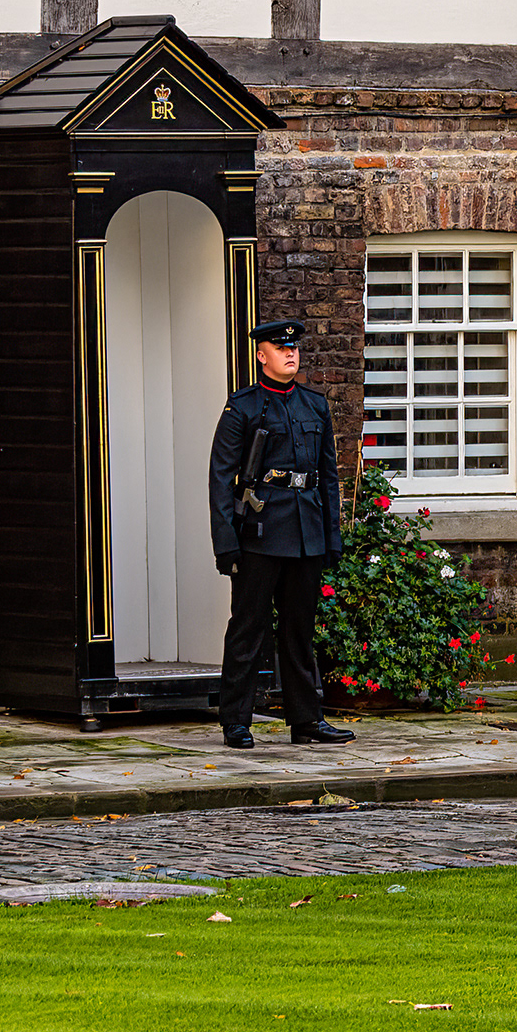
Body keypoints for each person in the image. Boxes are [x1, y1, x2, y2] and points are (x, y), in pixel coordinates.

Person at [211, 318, 358, 748]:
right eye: (280, 347)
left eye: (294, 348)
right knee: (248, 628)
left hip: (306, 531)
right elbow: (221, 479)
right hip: (259, 531)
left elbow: (328, 478)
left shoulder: (314, 406)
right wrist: (226, 542)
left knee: (300, 630)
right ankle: (236, 720)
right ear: (262, 354)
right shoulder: (242, 408)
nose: (290, 353)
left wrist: (331, 537)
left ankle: (306, 719)